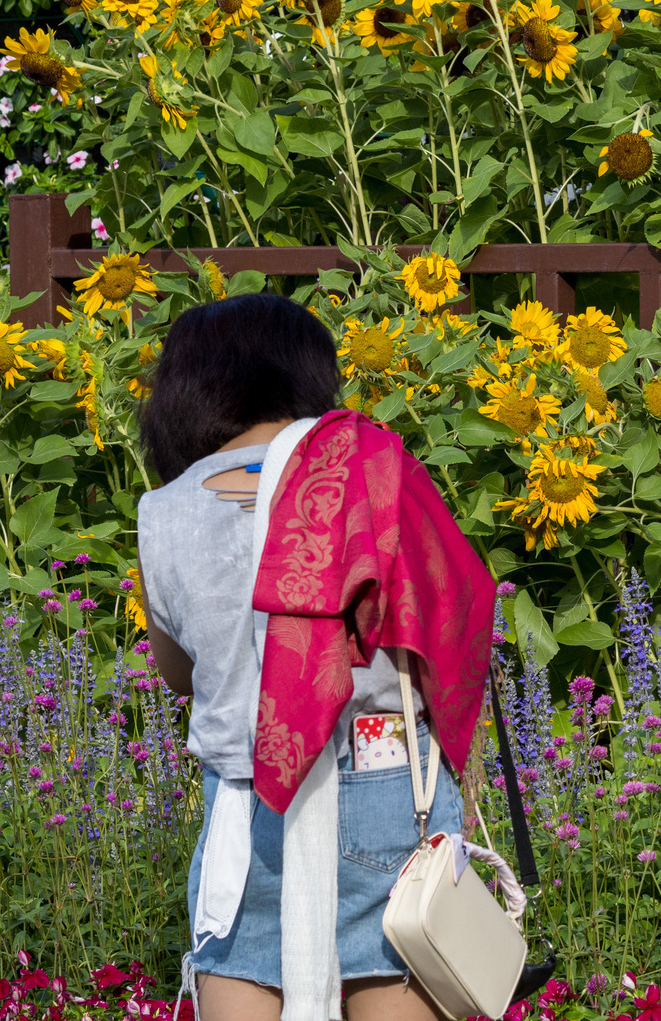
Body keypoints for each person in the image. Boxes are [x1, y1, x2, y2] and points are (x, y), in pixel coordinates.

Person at [138, 292, 495, 1021]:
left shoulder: (163, 510)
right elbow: (450, 620)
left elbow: (180, 675)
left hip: (246, 805)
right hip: (390, 785)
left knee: (240, 967)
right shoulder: (370, 470)